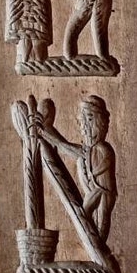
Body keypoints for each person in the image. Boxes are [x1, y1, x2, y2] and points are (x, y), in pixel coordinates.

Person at [41, 95, 117, 241]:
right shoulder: (89, 150)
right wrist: (45, 131)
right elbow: (64, 146)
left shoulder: (101, 150)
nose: (84, 126)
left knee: (96, 238)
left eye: (89, 119)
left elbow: (101, 192)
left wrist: (84, 213)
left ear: (99, 122)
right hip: (93, 203)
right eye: (83, 120)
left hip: (99, 203)